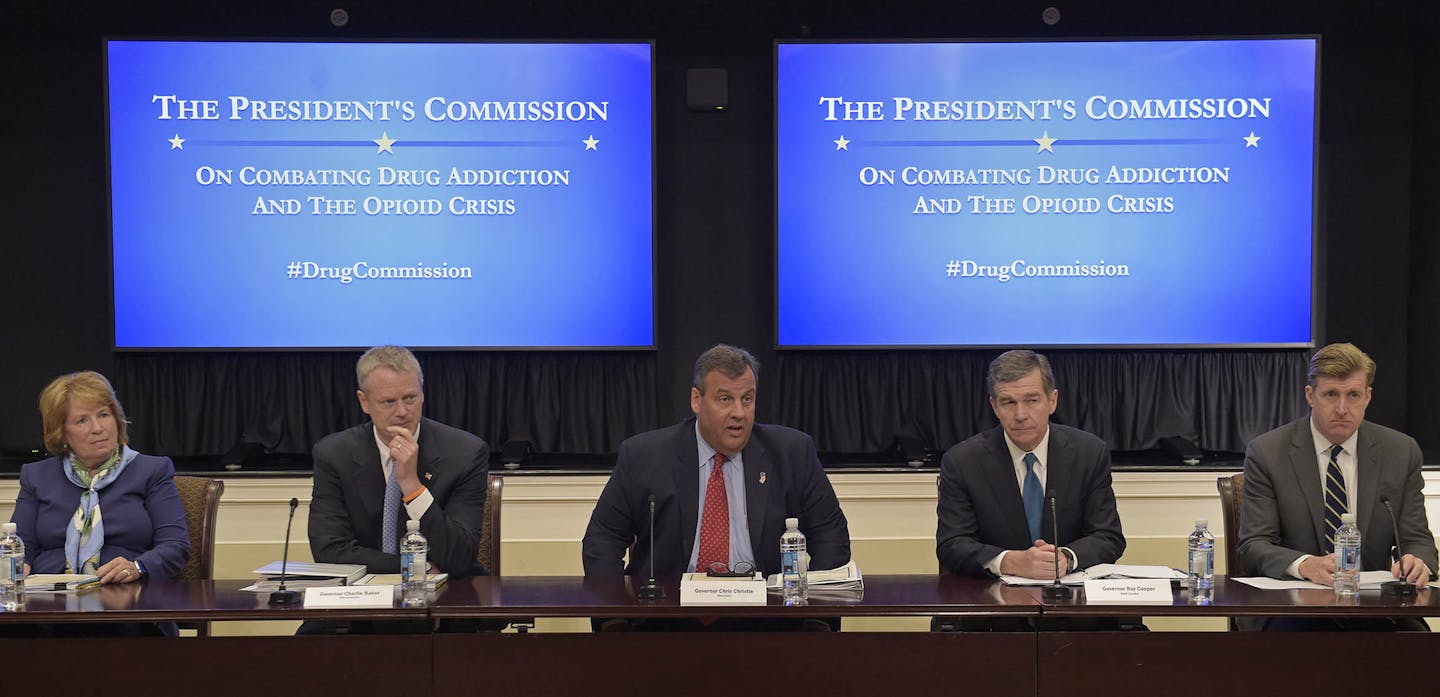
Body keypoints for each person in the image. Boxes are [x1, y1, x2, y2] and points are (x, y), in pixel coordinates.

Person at [582, 344, 851, 622]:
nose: (739, 413)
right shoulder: (644, 456)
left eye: (747, 399)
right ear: (697, 400)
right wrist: (614, 617)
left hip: (767, 620)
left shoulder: (792, 452)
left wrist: (816, 617)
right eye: (725, 399)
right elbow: (603, 539)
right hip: (667, 618)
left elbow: (831, 535)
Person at [1238, 342, 1436, 631]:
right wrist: (1305, 565)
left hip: (1377, 611)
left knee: (1420, 650)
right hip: (1294, 610)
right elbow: (1253, 546)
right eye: (1331, 394)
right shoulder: (1269, 452)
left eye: (1353, 395)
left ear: (1367, 397)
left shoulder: (1400, 452)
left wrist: (1417, 562)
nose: (1342, 408)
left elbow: (1417, 539)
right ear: (1310, 396)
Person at [935, 350, 1126, 631]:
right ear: (994, 406)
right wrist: (1011, 562)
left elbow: (1108, 537)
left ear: (1052, 400)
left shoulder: (1089, 452)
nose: (1020, 414)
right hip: (992, 617)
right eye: (1008, 402)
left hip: (1074, 613)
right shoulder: (962, 461)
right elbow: (951, 545)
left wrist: (1064, 558)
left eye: (1032, 400)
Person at [10, 371, 189, 636]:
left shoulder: (152, 470)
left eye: (104, 415)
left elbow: (176, 546)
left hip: (127, 604)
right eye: (82, 420)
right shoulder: (37, 476)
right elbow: (21, 544)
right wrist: (17, 566)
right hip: (49, 607)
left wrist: (137, 566)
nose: (98, 428)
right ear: (61, 433)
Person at [308, 345, 490, 578]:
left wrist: (411, 486)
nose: (402, 411)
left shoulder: (465, 453)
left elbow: (459, 556)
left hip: (447, 597)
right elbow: (329, 550)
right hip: (364, 598)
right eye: (388, 402)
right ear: (364, 402)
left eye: (410, 398)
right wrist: (414, 566)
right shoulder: (334, 454)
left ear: (422, 394)